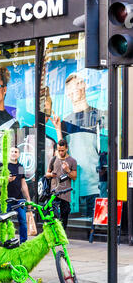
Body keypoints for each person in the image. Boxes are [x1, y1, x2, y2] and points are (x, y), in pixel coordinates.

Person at [52, 72, 106, 217]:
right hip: (73, 190)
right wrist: (58, 130)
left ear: (85, 86)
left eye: (77, 84)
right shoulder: (65, 121)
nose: (74, 90)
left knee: (96, 234)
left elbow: (106, 153)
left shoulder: (99, 116)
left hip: (95, 189)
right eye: (70, 88)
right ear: (67, 94)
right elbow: (61, 155)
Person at [0, 146, 31, 244]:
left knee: (23, 221)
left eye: (16, 152)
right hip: (5, 199)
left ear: (19, 154)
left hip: (19, 199)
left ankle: (24, 243)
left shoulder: (20, 167)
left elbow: (23, 183)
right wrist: (6, 180)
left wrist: (28, 198)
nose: (14, 153)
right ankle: (0, 241)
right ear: (8, 153)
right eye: (12, 151)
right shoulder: (1, 165)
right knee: (3, 221)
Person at [45, 139, 77, 230]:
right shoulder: (53, 159)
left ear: (66, 148)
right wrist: (51, 174)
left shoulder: (72, 161)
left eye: (62, 150)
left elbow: (74, 177)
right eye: (59, 150)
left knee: (64, 215)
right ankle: (54, 234)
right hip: (54, 192)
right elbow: (47, 174)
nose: (60, 152)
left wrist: (68, 170)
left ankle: (62, 235)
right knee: (53, 216)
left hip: (65, 193)